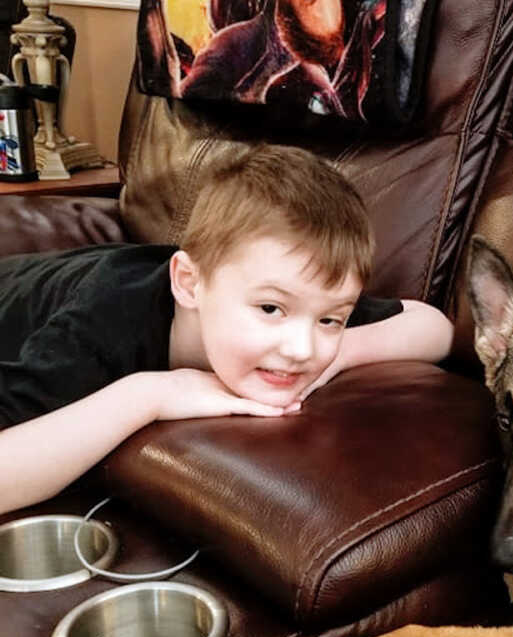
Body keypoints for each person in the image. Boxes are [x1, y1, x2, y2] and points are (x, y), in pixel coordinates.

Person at [0, 143, 454, 515]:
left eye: (330, 319)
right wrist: (148, 395)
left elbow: (433, 326)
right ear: (190, 285)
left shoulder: (305, 299)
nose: (301, 348)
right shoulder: (100, 328)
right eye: (271, 308)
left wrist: (340, 351)